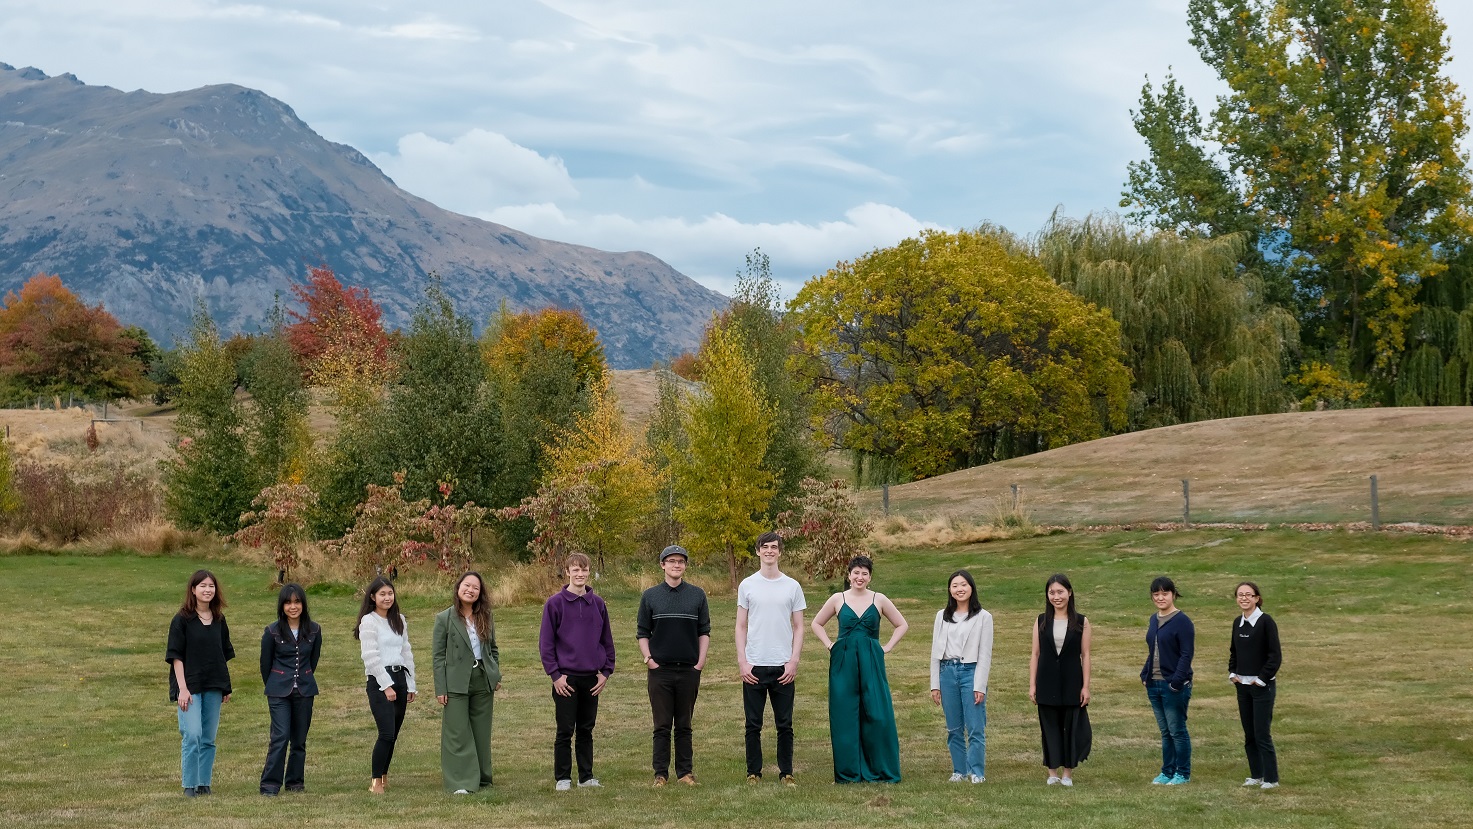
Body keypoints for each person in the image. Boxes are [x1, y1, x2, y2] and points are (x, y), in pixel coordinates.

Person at [811, 555, 908, 783]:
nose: (860, 577)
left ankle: (881, 768)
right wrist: (830, 645)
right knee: (845, 713)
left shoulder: (879, 599)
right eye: (856, 572)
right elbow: (816, 623)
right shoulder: (837, 599)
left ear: (870, 577)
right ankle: (849, 771)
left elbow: (902, 624)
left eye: (864, 573)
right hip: (843, 660)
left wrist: (886, 648)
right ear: (849, 575)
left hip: (871, 658)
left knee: (877, 712)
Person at [540, 552, 615, 791]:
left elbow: (607, 640)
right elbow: (546, 643)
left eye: (584, 570)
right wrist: (555, 675)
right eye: (575, 570)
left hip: (591, 678)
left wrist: (606, 672)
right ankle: (563, 777)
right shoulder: (554, 604)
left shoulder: (598, 604)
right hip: (566, 678)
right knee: (565, 730)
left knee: (586, 729)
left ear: (589, 572)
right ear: (567, 572)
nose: (580, 574)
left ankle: (586, 777)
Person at [736, 531, 806, 786]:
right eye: (764, 547)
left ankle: (786, 772)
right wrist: (743, 661)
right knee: (753, 724)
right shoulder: (747, 585)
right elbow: (741, 626)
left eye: (774, 547)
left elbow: (799, 626)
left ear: (780, 551)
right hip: (754, 665)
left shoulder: (792, 586)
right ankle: (753, 772)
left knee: (784, 724)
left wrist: (793, 660)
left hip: (783, 666)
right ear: (757, 551)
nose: (769, 551)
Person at [636, 545, 711, 786]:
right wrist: (649, 660)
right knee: (661, 725)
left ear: (685, 565)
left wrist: (700, 662)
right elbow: (642, 632)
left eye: (680, 561)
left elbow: (704, 631)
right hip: (660, 671)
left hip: (689, 669)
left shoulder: (697, 595)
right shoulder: (650, 596)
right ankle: (660, 775)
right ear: (662, 565)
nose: (676, 565)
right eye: (671, 561)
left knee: (684, 725)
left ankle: (685, 773)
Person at [166, 569, 235, 797]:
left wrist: (225, 686)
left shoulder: (219, 620)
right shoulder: (181, 620)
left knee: (208, 738)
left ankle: (204, 783)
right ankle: (189, 785)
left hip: (214, 685)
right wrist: (182, 689)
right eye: (203, 586)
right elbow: (176, 656)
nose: (208, 590)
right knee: (193, 734)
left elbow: (221, 655)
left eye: (211, 586)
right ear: (193, 590)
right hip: (190, 687)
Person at [433, 571, 502, 794]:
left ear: (480, 593)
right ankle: (460, 782)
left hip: (483, 680)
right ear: (458, 587)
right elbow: (438, 657)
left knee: (481, 731)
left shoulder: (486, 616)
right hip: (455, 683)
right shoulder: (444, 618)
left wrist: (495, 674)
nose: (470, 590)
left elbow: (492, 649)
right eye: (467, 585)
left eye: (476, 588)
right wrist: (441, 688)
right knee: (457, 732)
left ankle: (482, 778)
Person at [928, 569, 993, 784]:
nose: (959, 589)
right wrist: (934, 684)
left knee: (975, 726)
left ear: (971, 587)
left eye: (963, 584)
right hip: (947, 672)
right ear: (949, 589)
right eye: (955, 585)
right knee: (953, 727)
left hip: (970, 671)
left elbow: (985, 654)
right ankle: (959, 769)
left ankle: (977, 771)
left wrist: (979, 686)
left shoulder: (984, 617)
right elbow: (935, 652)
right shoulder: (942, 616)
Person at [259, 583, 322, 796]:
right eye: (288, 602)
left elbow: (312, 662)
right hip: (278, 692)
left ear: (303, 604)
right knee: (280, 736)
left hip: (304, 690)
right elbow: (265, 665)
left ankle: (295, 782)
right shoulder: (272, 631)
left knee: (299, 739)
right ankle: (269, 785)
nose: (292, 607)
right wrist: (278, 682)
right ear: (282, 606)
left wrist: (301, 678)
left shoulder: (314, 630)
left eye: (296, 602)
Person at [1029, 573, 1092, 786]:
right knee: (1049, 728)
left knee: (1070, 727)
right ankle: (1052, 773)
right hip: (1046, 681)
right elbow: (1035, 654)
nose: (1056, 597)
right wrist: (1032, 684)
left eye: (1060, 592)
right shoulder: (1040, 621)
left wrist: (1085, 686)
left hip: (1072, 682)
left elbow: (1086, 655)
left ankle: (1067, 774)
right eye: (1052, 592)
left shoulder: (1081, 621)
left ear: (1069, 593)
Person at [355, 576, 416, 795]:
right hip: (380, 681)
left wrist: (410, 685)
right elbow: (370, 656)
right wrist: (386, 686)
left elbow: (406, 652)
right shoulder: (369, 621)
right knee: (386, 733)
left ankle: (384, 775)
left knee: (395, 733)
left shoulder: (399, 619)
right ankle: (375, 782)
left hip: (400, 679)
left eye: (390, 593)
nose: (387, 597)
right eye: (382, 594)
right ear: (373, 597)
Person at [1140, 576, 1194, 786]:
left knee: (1177, 730)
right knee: (1165, 732)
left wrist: (1176, 682)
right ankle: (1167, 771)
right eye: (1156, 594)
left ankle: (1182, 773)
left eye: (1165, 593)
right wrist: (1145, 674)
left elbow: (1186, 654)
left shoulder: (1182, 621)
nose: (1160, 597)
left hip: (1173, 685)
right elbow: (1153, 650)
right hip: (1154, 684)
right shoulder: (1154, 619)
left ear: (1173, 594)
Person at [1229, 581, 1282, 790]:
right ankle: (1256, 774)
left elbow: (1275, 656)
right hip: (1242, 686)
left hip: (1262, 687)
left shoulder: (1266, 622)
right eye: (1240, 595)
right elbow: (1234, 651)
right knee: (1249, 734)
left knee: (1262, 733)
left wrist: (1261, 680)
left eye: (1248, 595)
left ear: (1257, 598)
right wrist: (1233, 673)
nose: (1244, 598)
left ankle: (1271, 778)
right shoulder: (1237, 622)